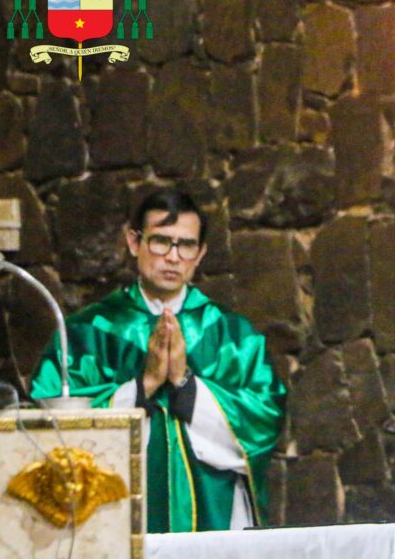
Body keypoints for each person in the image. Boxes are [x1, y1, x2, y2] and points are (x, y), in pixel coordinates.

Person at [32, 188, 286, 533]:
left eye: (186, 245)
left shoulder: (233, 335)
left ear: (200, 254)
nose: (173, 256)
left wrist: (186, 386)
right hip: (115, 516)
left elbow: (265, 420)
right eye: (161, 241)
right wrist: (143, 386)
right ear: (134, 243)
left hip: (215, 509)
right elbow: (53, 429)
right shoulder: (87, 332)